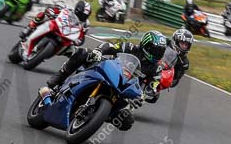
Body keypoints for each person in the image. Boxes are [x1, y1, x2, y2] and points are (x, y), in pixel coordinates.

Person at [40, 30, 168, 103]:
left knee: (127, 121)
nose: (158, 54)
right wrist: (98, 51)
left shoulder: (156, 69)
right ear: (146, 45)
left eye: (160, 52)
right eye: (156, 50)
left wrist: (146, 95)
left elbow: (154, 86)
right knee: (83, 53)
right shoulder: (130, 47)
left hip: (124, 92)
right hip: (110, 72)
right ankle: (57, 80)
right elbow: (110, 46)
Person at [20, 0, 91, 41]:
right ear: (77, 10)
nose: (83, 17)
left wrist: (78, 40)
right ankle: (30, 27)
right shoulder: (70, 9)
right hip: (57, 23)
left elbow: (81, 37)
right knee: (42, 15)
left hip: (66, 35)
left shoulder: (85, 23)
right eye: (82, 15)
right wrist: (52, 11)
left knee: (73, 50)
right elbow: (55, 8)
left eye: (85, 16)